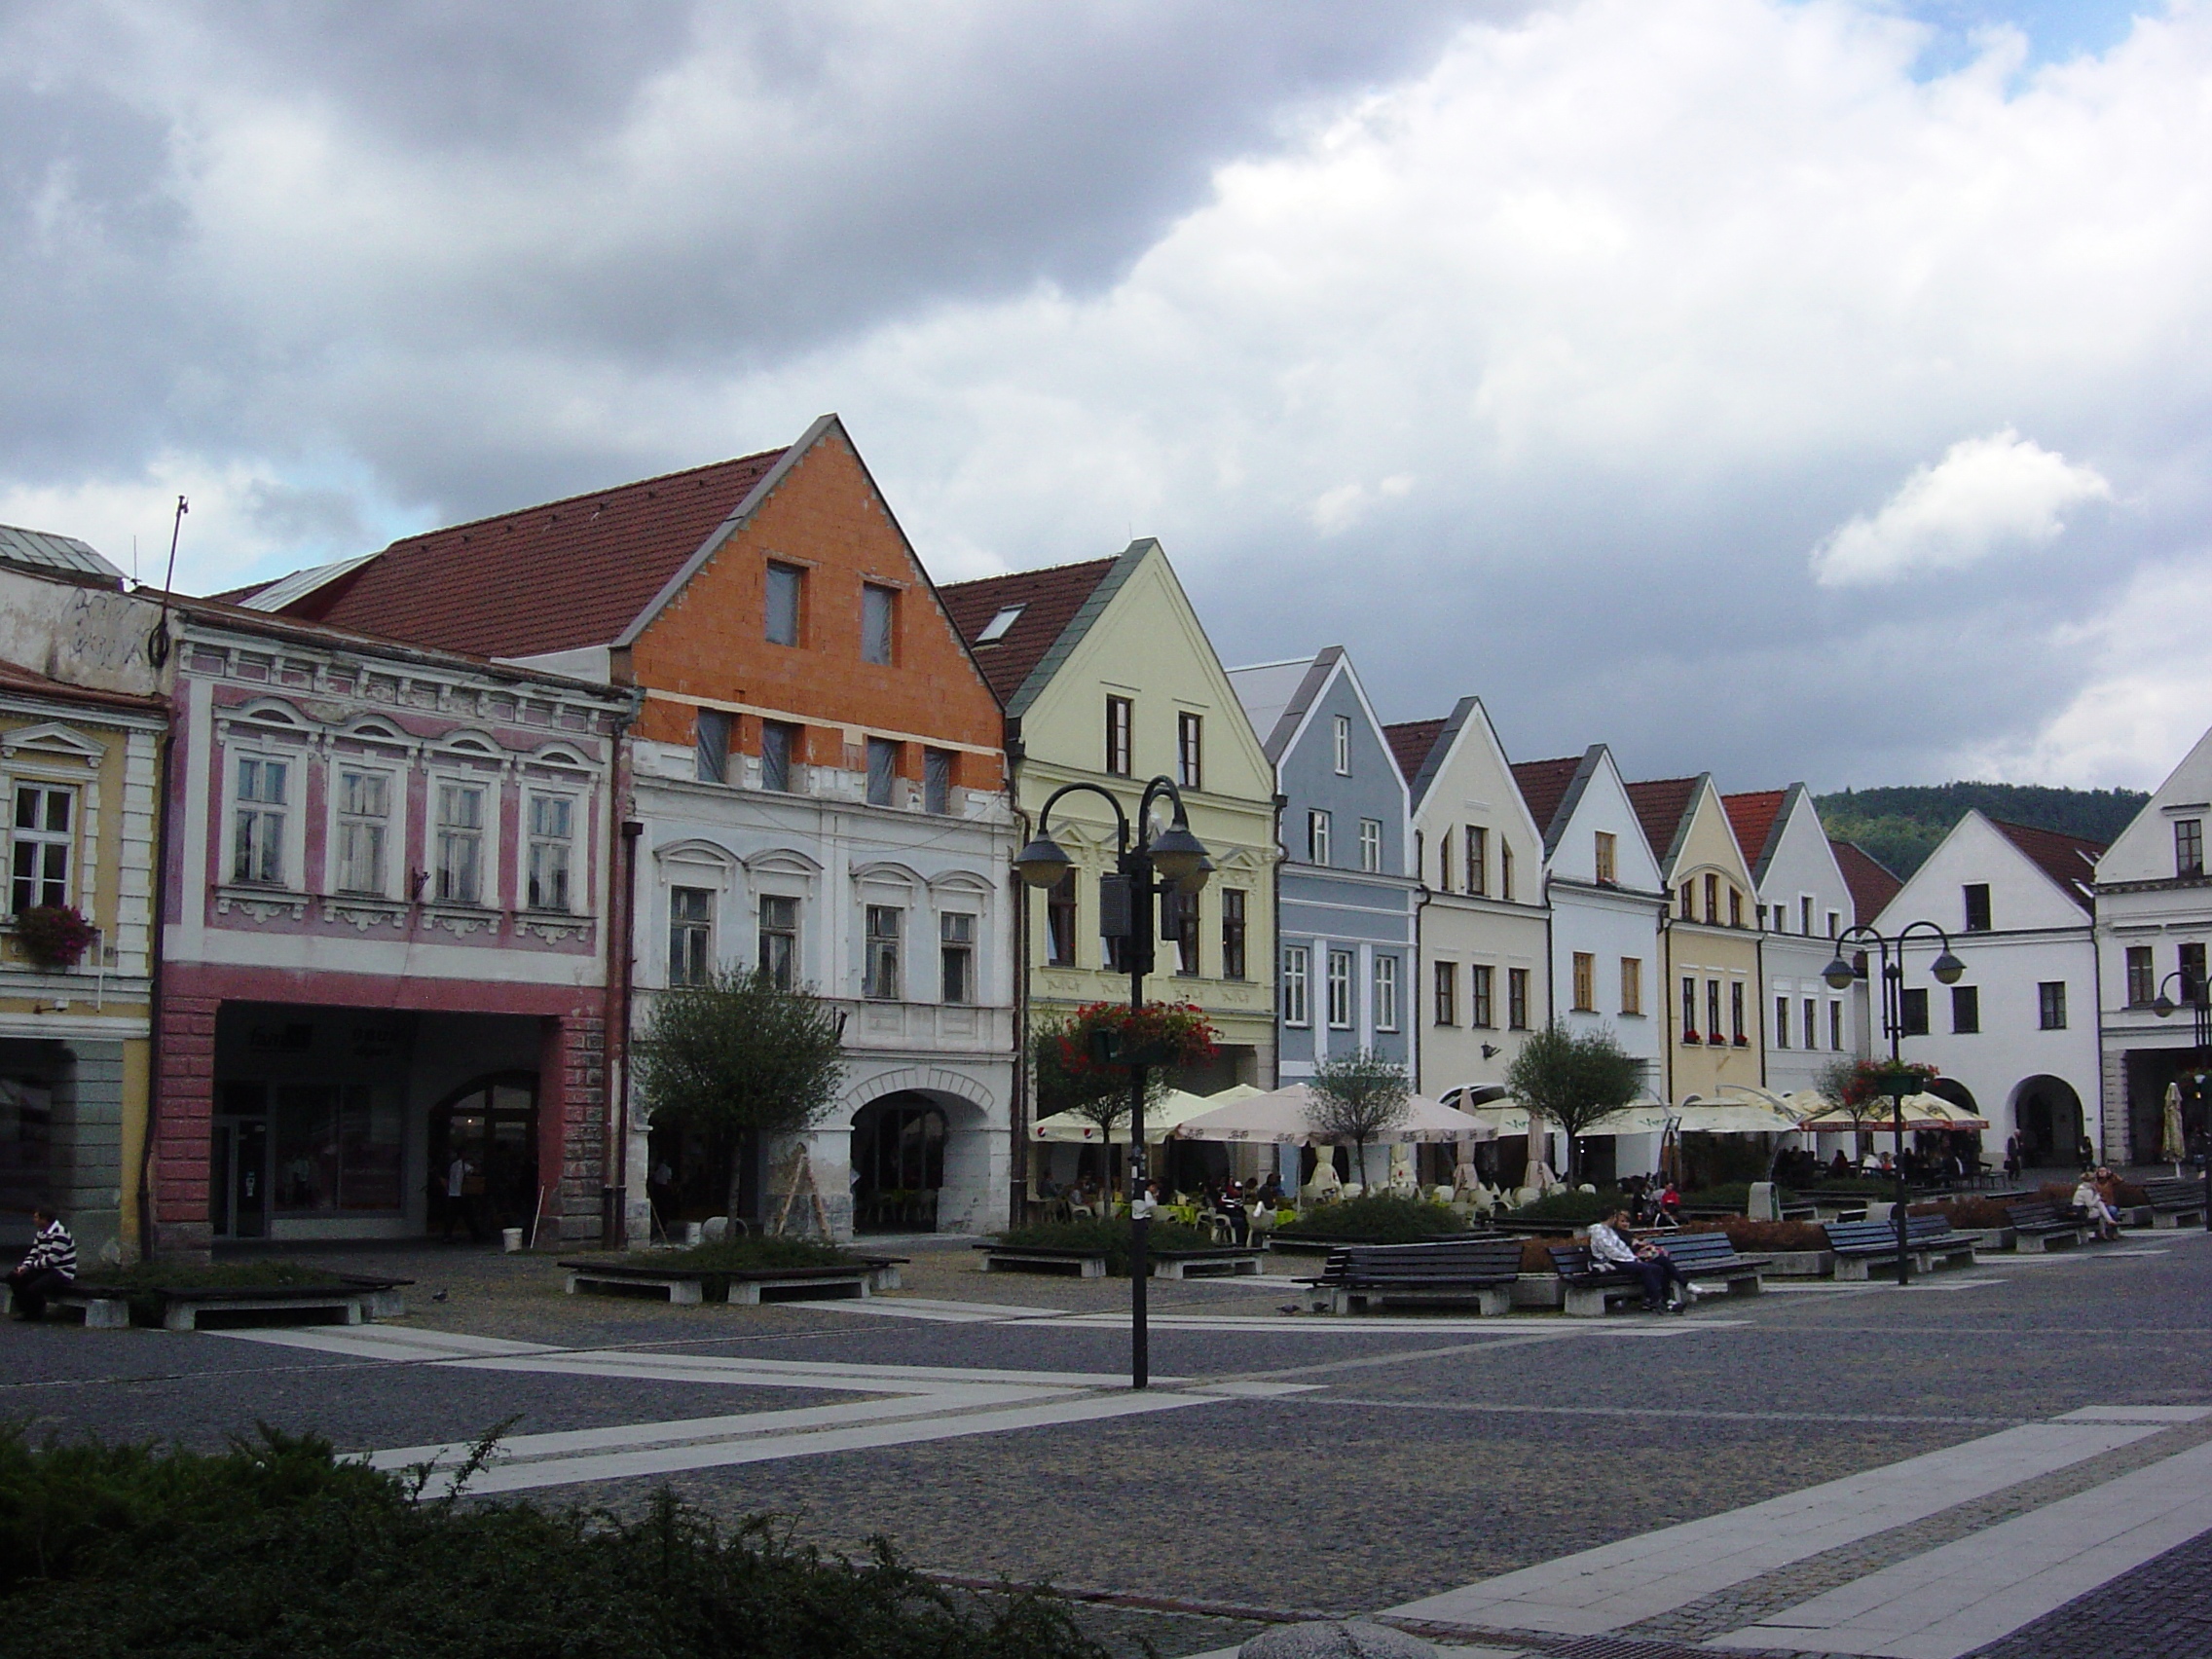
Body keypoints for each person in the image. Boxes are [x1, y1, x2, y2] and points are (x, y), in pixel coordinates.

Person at [1588, 1209, 1689, 1312]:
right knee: (1647, 1268)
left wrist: (1633, 1258)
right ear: (1611, 1217)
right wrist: (1633, 1259)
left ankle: (1659, 1299)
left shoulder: (1609, 1231)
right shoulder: (1600, 1232)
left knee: (1657, 1268)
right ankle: (1657, 1300)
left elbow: (1622, 1248)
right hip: (1613, 1263)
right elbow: (1611, 1252)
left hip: (1623, 1260)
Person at [7, 1205, 77, 1321]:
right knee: (14, 1277)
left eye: (36, 1217)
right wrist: (23, 1267)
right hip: (44, 1268)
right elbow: (34, 1252)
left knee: (34, 1288)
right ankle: (26, 1310)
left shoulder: (61, 1234)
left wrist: (30, 1267)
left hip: (61, 1272)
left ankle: (35, 1312)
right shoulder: (41, 1233)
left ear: (44, 1219)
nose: (34, 1220)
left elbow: (51, 1260)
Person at [2072, 1170, 2120, 1241]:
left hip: (2084, 1210)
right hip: (2083, 1213)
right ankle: (2107, 1224)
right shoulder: (2086, 1191)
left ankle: (2105, 1229)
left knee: (2100, 1206)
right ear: (2092, 1181)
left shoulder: (2084, 1188)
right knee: (2101, 1209)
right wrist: (2097, 1197)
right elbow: (2089, 1204)